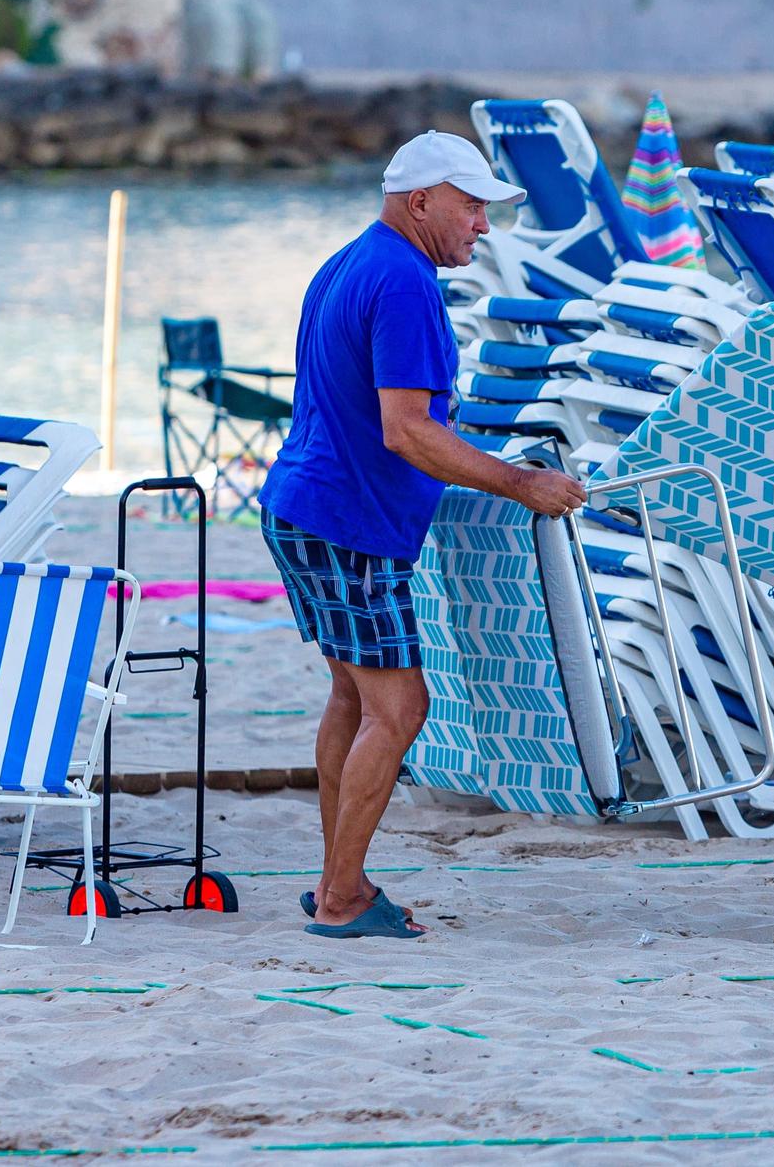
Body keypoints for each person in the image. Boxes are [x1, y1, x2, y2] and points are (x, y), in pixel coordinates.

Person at [259, 131, 587, 940]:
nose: (482, 224)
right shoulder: (404, 282)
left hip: (302, 504)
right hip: (347, 521)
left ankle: (338, 877)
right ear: (421, 201)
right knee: (401, 708)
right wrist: (521, 481)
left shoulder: (350, 261)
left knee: (354, 696)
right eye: (471, 205)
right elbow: (405, 430)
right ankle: (341, 897)